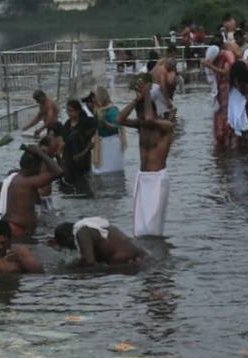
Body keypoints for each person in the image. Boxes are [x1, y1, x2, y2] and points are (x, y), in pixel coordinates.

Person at [119, 78, 176, 237]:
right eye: (139, 114)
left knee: (153, 229)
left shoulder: (166, 126)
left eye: (142, 112)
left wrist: (146, 95)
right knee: (140, 229)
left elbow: (150, 118)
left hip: (157, 179)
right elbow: (120, 119)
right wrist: (136, 99)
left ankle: (158, 259)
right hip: (142, 178)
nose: (142, 117)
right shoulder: (141, 124)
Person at [0, 145, 63, 238]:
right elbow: (59, 172)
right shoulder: (28, 182)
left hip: (15, 229)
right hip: (18, 232)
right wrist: (41, 153)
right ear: (35, 166)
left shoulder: (16, 179)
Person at [52, 218, 147, 266]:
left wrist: (69, 271)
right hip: (139, 253)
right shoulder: (89, 224)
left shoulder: (81, 232)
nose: (71, 249)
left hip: (122, 260)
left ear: (69, 239)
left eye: (67, 247)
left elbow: (90, 263)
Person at [205, 45, 239, 148]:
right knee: (219, 111)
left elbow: (226, 72)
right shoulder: (219, 58)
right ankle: (220, 134)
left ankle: (225, 134)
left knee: (224, 111)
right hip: (220, 88)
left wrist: (210, 66)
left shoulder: (225, 57)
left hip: (226, 88)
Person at [60, 99, 96, 189]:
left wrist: (90, 140)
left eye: (71, 111)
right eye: (67, 110)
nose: (68, 113)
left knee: (84, 182)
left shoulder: (85, 122)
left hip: (83, 157)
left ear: (78, 111)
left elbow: (97, 125)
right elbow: (64, 141)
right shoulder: (67, 125)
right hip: (69, 158)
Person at [91, 86, 126, 175]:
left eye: (94, 96)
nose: (93, 99)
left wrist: (104, 122)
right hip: (101, 143)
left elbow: (116, 126)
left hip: (111, 144)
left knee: (109, 171)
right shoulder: (97, 109)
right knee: (101, 170)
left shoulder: (112, 110)